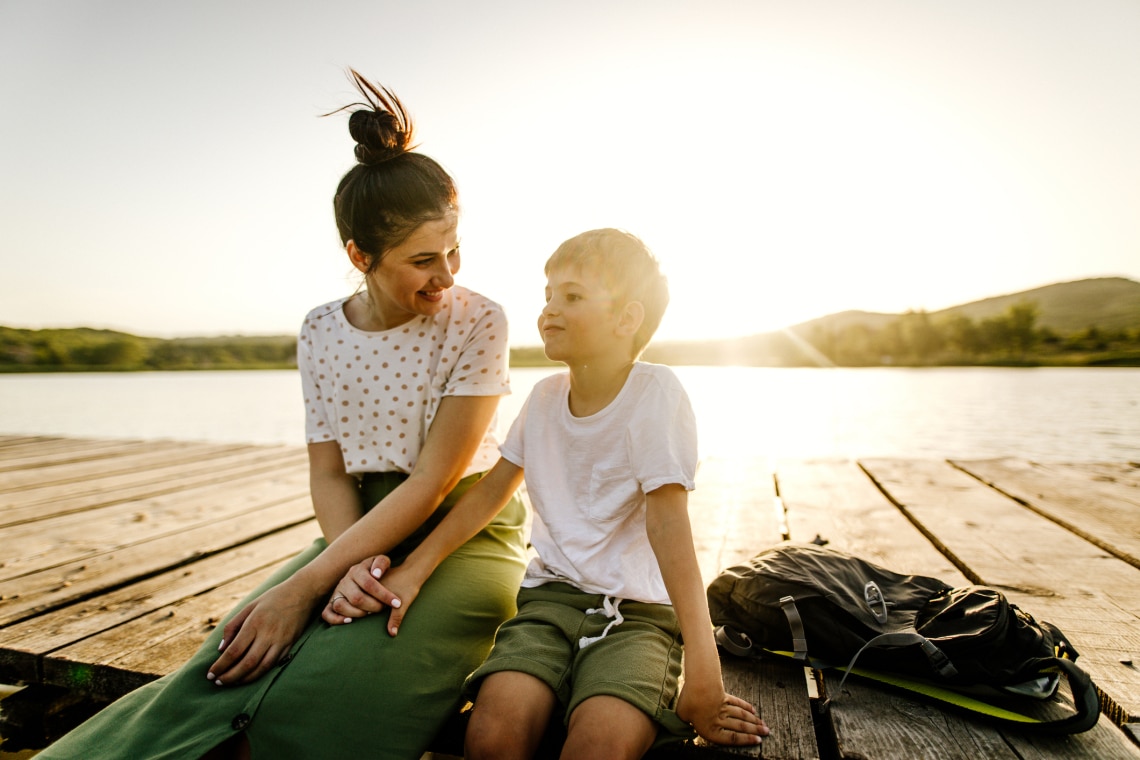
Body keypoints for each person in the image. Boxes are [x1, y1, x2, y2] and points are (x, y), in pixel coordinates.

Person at [37, 71, 528, 760]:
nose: (446, 274)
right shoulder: (321, 330)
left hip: (464, 536)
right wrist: (342, 564)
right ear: (361, 256)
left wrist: (309, 586)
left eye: (453, 250)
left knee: (342, 682)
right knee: (226, 663)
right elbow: (328, 471)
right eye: (422, 259)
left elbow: (434, 483)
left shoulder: (480, 321)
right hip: (355, 527)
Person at [339, 229, 769, 758]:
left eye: (571, 296)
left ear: (626, 319)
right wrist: (416, 567)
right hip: (548, 603)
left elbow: (669, 527)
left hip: (637, 618)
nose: (548, 310)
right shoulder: (543, 399)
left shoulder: (656, 395)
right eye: (547, 295)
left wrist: (704, 671)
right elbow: (488, 494)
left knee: (597, 745)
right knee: (492, 738)